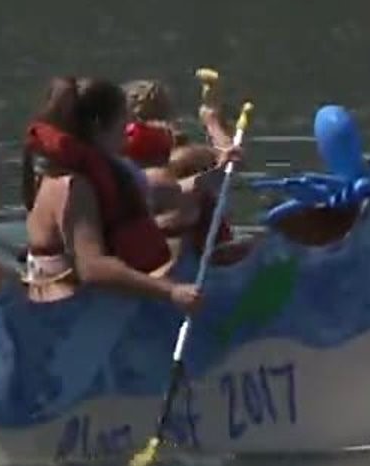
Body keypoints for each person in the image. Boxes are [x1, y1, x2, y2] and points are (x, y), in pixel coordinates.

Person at [21, 77, 203, 309]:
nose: (128, 131)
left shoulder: (100, 171)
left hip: (86, 299)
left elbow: (165, 191)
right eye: (122, 123)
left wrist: (215, 172)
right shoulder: (74, 186)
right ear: (98, 126)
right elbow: (92, 267)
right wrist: (171, 291)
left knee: (182, 237)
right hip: (66, 311)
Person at [123, 78, 241, 260]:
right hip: (193, 257)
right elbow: (230, 162)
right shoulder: (188, 155)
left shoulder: (122, 161)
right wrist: (213, 122)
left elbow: (228, 162)